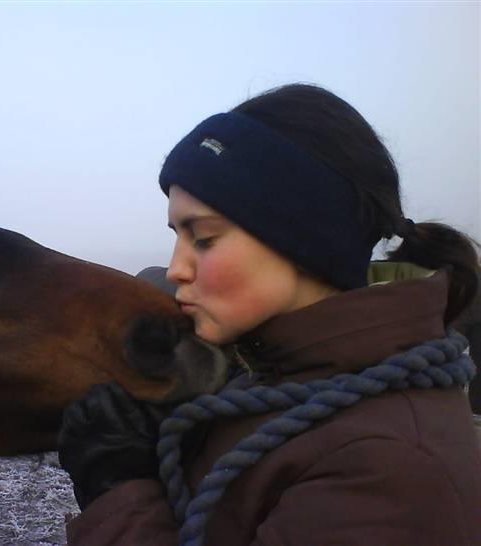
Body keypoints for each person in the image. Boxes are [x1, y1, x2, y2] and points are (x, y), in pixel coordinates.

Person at [57, 83, 481, 546]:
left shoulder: (390, 466)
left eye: (204, 238)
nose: (176, 268)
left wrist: (117, 491)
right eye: (176, 236)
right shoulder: (275, 382)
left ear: (303, 239)